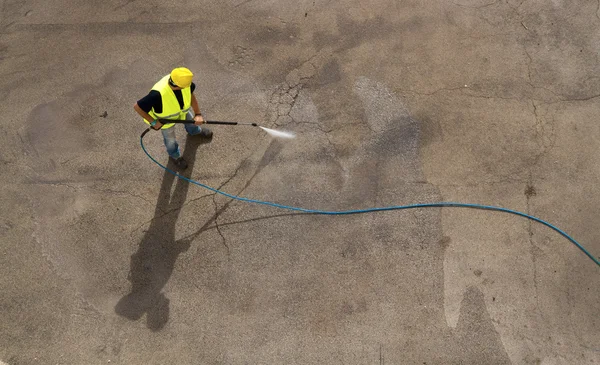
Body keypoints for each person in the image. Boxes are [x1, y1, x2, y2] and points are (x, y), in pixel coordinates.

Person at [134, 67, 212, 169]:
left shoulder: (182, 81)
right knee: (170, 140)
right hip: (166, 121)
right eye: (186, 86)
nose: (189, 86)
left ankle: (195, 131)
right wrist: (153, 122)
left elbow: (191, 96)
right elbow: (137, 107)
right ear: (178, 85)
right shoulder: (157, 94)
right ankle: (175, 156)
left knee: (192, 122)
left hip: (182, 112)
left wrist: (198, 114)